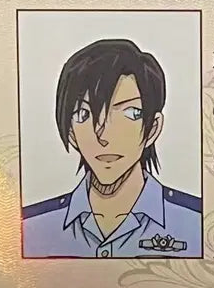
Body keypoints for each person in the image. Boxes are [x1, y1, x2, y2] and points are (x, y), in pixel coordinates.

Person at [22, 38, 202, 257]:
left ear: (153, 128)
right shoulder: (31, 227)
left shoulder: (198, 223)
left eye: (130, 113)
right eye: (83, 114)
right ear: (71, 132)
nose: (104, 137)